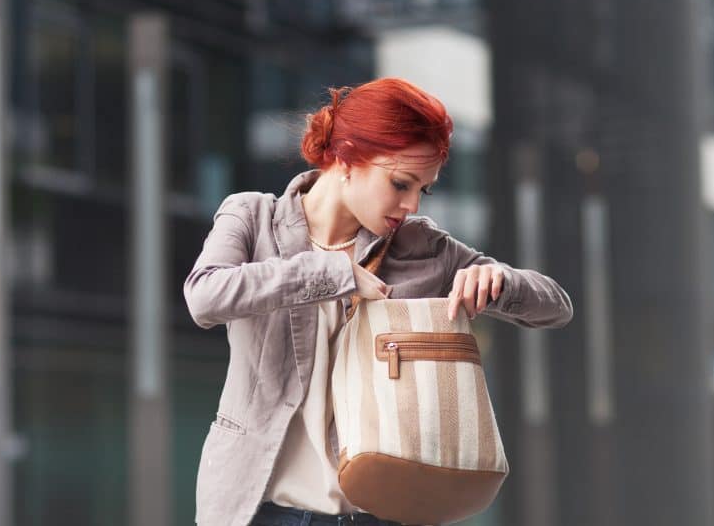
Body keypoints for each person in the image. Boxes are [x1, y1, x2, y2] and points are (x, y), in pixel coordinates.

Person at [183, 77, 573, 526]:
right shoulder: (253, 216)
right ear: (347, 158)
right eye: (400, 183)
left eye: (421, 190)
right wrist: (332, 273)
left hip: (375, 514)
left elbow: (556, 306)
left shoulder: (420, 246)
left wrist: (499, 280)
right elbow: (205, 296)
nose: (410, 204)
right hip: (256, 508)